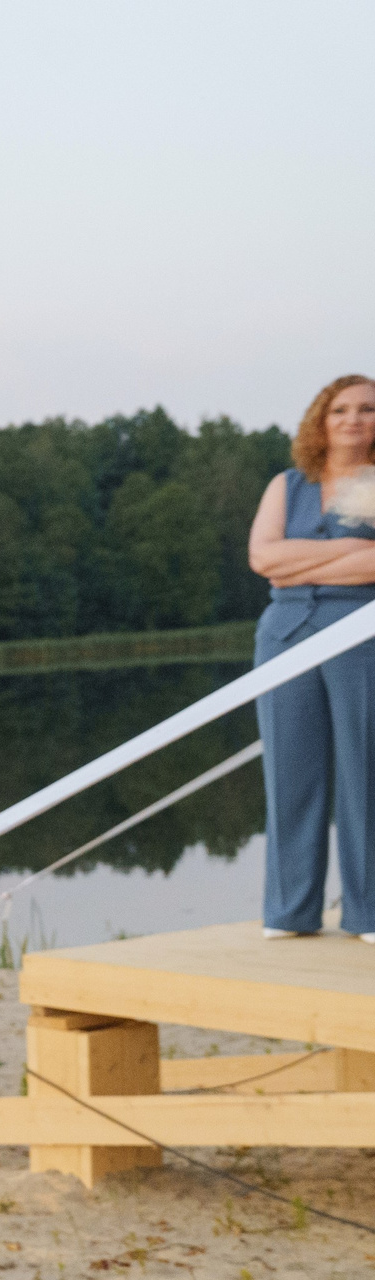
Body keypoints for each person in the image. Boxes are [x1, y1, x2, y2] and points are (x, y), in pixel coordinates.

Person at [247, 373, 375, 942]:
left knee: (365, 770)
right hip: (284, 634)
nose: (354, 419)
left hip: (362, 631)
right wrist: (349, 548)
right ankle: (289, 911)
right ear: (321, 420)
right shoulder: (288, 484)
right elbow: (262, 559)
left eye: (367, 409)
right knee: (289, 770)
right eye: (340, 409)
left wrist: (299, 563)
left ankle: (369, 912)